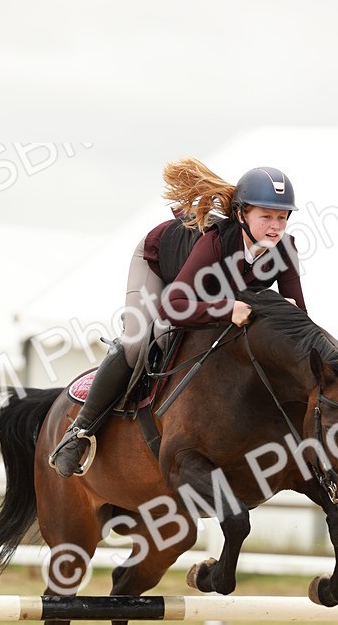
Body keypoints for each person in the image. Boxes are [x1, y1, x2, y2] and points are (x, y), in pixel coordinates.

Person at [49, 157, 307, 477]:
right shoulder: (216, 242)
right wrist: (228, 309)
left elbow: (298, 318)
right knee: (135, 342)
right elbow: (172, 307)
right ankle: (78, 433)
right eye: (266, 216)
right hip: (158, 268)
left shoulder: (285, 249)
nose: (275, 227)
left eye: (282, 218)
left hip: (205, 290)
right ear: (241, 214)